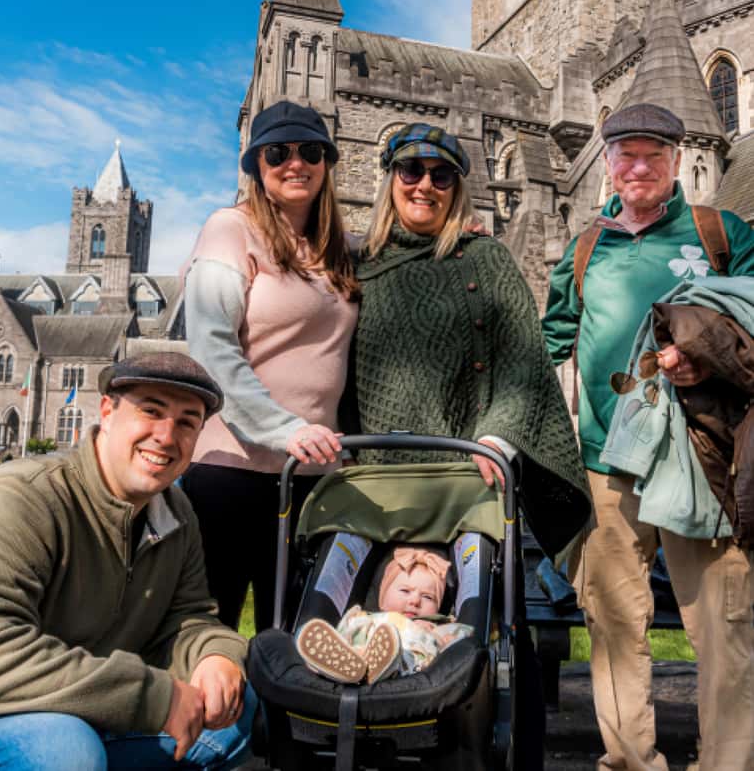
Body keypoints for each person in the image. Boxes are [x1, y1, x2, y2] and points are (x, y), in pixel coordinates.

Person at [0, 353, 256, 771]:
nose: (167, 436)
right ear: (107, 411)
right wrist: (158, 698)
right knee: (61, 748)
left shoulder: (175, 512)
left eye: (187, 423)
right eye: (151, 412)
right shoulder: (20, 498)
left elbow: (188, 616)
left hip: (58, 710)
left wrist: (215, 656)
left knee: (232, 713)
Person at [347, 122, 591, 771]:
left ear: (458, 189)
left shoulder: (486, 259)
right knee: (378, 605)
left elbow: (523, 361)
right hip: (376, 485)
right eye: (411, 171)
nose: (424, 184)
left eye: (441, 175)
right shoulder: (357, 265)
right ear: (390, 180)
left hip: (469, 480)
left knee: (486, 622)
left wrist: (497, 436)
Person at [543, 102, 754, 771]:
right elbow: (549, 341)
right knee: (612, 623)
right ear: (607, 164)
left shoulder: (721, 232)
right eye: (626, 155)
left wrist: (707, 354)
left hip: (703, 456)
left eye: (653, 155)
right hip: (607, 462)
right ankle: (631, 762)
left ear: (678, 161)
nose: (639, 167)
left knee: (724, 623)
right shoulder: (585, 248)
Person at [183, 100, 359, 632]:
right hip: (231, 471)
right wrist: (285, 430)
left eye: (310, 151)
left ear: (326, 161)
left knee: (296, 642)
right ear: (257, 166)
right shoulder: (229, 229)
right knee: (211, 636)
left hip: (314, 479)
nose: (295, 163)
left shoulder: (342, 249)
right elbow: (212, 347)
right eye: (277, 153)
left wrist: (462, 232)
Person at [295, 547, 472, 684]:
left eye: (427, 597)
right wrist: (351, 625)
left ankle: (376, 667)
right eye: (405, 591)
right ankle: (334, 661)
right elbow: (352, 628)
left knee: (406, 655)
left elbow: (463, 635)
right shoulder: (370, 617)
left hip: (406, 662)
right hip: (360, 651)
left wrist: (446, 641)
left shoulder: (434, 626)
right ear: (383, 598)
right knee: (353, 628)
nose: (415, 601)